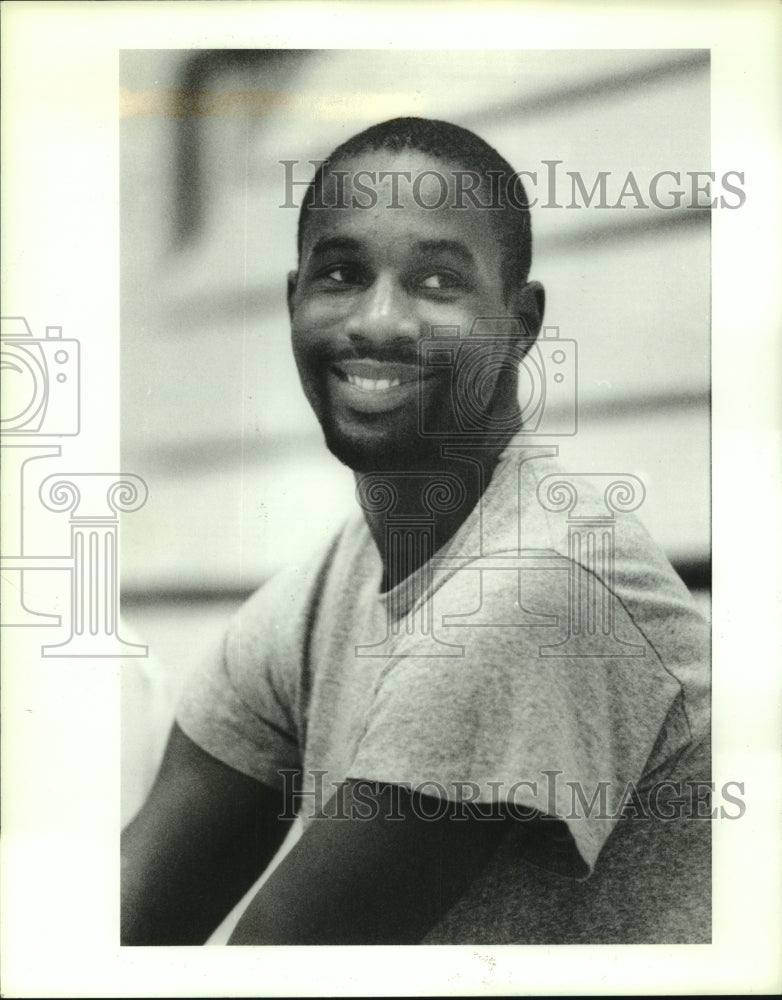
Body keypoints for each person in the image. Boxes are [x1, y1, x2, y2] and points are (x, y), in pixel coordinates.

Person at [121, 117, 711, 946]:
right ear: (294, 298)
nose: (379, 321)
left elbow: (270, 971)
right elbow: (110, 926)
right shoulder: (323, 592)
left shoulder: (540, 591)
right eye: (341, 274)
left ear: (521, 322)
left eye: (437, 281)